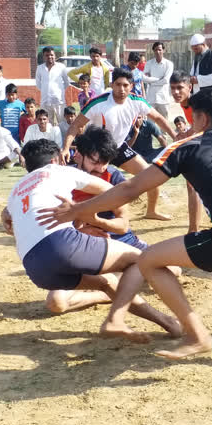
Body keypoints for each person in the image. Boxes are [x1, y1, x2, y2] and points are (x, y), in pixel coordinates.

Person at [37, 89, 212, 360]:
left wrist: (78, 210)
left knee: (150, 260)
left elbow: (132, 188)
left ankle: (198, 336)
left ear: (200, 118)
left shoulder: (188, 147)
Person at [1, 139, 179, 336]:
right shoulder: (60, 171)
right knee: (144, 260)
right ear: (56, 159)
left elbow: (8, 216)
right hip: (63, 244)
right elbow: (112, 191)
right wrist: (88, 215)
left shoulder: (16, 189)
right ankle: (115, 320)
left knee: (105, 283)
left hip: (34, 266)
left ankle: (168, 323)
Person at [46, 126, 157, 314]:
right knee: (56, 302)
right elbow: (50, 223)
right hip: (83, 247)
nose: (101, 168)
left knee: (172, 270)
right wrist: (79, 231)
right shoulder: (60, 179)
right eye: (95, 161)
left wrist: (96, 221)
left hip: (120, 243)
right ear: (78, 155)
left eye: (105, 161)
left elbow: (122, 226)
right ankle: (107, 291)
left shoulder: (113, 176)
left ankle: (115, 280)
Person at [62, 67, 177, 221]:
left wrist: (175, 136)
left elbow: (158, 118)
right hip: (96, 150)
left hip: (119, 147)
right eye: (118, 84)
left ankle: (151, 211)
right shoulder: (98, 102)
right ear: (111, 84)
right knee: (85, 184)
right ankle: (73, 211)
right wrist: (65, 148)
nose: (121, 89)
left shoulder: (137, 102)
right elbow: (75, 125)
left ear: (131, 86)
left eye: (125, 85)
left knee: (152, 177)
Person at [169, 71, 203, 232]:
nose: (176, 92)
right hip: (207, 142)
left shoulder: (196, 103)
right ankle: (193, 229)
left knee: (194, 186)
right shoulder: (186, 103)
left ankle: (193, 231)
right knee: (193, 185)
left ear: (189, 87)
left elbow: (203, 126)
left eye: (179, 88)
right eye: (173, 88)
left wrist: (184, 136)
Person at [35, 46, 71, 125]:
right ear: (44, 57)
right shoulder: (40, 68)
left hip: (59, 101)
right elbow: (38, 84)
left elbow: (66, 82)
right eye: (47, 55)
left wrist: (58, 91)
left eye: (51, 55)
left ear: (55, 56)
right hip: (45, 101)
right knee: (47, 124)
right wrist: (46, 90)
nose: (49, 57)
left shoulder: (61, 67)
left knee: (62, 123)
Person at [143, 41, 175, 118]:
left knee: (164, 123)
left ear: (163, 50)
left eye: (160, 49)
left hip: (163, 98)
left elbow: (166, 80)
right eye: (156, 50)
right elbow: (144, 78)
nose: (158, 51)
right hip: (151, 98)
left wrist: (151, 81)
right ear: (153, 51)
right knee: (150, 124)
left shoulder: (169, 64)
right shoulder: (149, 63)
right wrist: (159, 79)